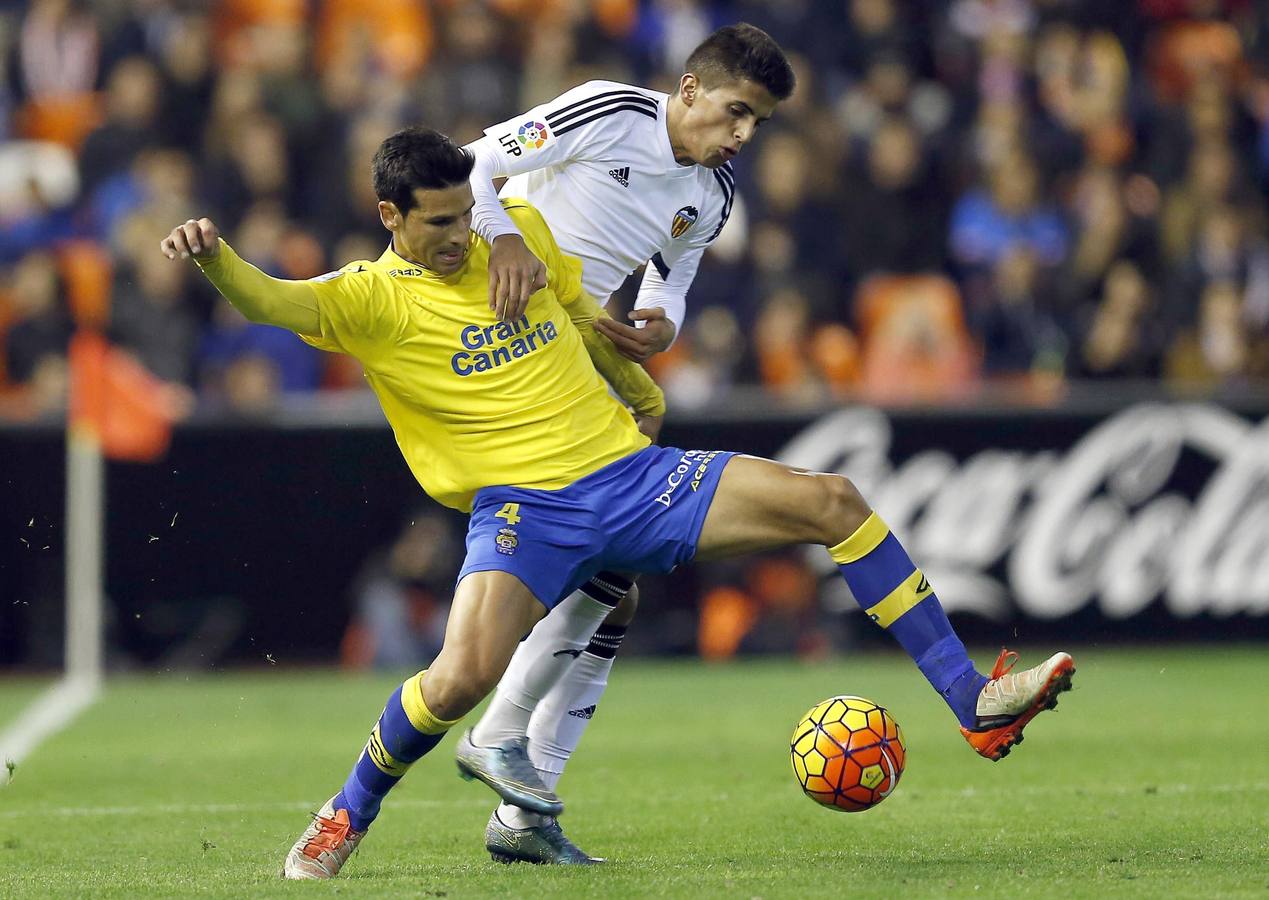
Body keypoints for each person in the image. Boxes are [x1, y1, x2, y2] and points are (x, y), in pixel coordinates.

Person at [160, 126, 1076, 880]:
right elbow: (273, 303)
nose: (457, 237)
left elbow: (578, 320)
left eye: (462, 216)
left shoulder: (508, 238)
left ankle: (974, 700)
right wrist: (216, 260)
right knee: (459, 677)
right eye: (437, 223)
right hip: (525, 508)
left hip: (630, 477)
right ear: (389, 215)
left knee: (831, 501)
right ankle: (343, 815)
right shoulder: (370, 299)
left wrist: (638, 393)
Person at [460, 22, 797, 863]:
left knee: (615, 584)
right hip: (505, 340)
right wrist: (502, 234)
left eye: (756, 121)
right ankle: (496, 741)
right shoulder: (608, 112)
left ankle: (521, 812)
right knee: (600, 570)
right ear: (687, 90)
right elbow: (469, 165)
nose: (742, 134)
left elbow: (671, 272)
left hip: (582, 360)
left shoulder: (713, 194)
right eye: (734, 111)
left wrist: (664, 320)